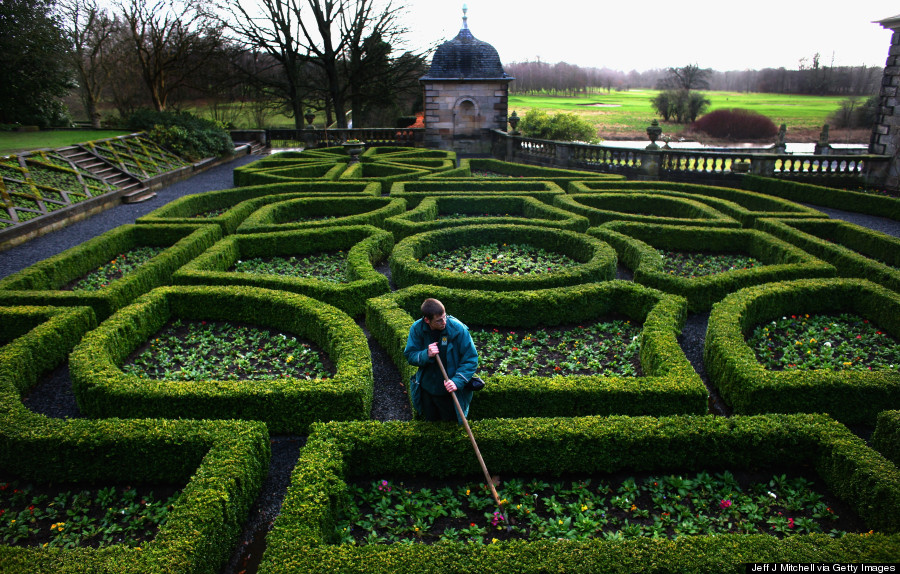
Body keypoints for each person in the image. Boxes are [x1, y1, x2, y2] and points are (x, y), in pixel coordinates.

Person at [404, 298, 478, 422]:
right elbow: (410, 355)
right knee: (430, 424)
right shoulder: (417, 329)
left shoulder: (458, 329)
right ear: (427, 320)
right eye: (439, 320)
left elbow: (470, 359)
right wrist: (425, 354)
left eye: (444, 317)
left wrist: (457, 381)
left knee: (451, 426)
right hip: (427, 390)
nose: (444, 322)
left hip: (449, 393)